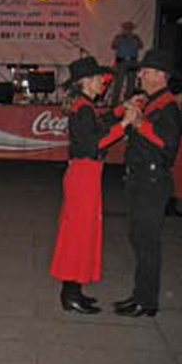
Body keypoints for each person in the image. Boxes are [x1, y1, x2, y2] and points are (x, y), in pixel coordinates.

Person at [50, 57, 138, 314]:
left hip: (83, 173)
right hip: (84, 174)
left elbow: (98, 127)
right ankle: (70, 294)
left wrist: (121, 111)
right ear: (86, 82)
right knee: (79, 233)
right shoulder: (84, 107)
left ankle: (74, 290)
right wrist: (124, 124)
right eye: (99, 78)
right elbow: (94, 143)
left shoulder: (83, 104)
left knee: (80, 231)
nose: (104, 82)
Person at [113, 49, 182, 317]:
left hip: (151, 180)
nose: (140, 75)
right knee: (138, 238)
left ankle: (147, 301)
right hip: (140, 178)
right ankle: (140, 295)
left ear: (159, 75)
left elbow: (168, 145)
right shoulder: (151, 101)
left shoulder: (168, 105)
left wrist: (140, 123)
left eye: (145, 71)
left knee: (147, 242)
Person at [110, 21, 144, 104]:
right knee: (118, 83)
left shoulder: (136, 37)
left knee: (131, 84)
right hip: (121, 62)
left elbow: (141, 46)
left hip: (132, 62)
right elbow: (113, 46)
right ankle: (114, 103)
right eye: (126, 28)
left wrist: (135, 40)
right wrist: (118, 39)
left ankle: (128, 102)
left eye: (130, 28)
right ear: (123, 29)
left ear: (132, 29)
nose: (128, 30)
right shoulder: (119, 37)